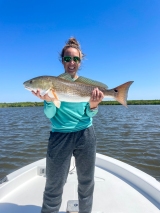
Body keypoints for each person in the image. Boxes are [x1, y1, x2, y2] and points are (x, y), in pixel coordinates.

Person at [32, 37, 104, 213]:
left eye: (75, 59)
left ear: (80, 61)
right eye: (67, 59)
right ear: (62, 61)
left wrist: (94, 105)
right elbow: (50, 114)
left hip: (85, 135)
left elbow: (89, 113)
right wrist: (48, 100)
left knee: (86, 182)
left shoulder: (87, 86)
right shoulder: (52, 84)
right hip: (59, 136)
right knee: (54, 184)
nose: (71, 62)